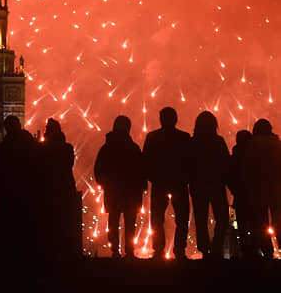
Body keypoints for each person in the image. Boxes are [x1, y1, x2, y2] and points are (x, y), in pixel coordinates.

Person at [142, 106, 191, 260]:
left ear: (161, 119)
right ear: (175, 119)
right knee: (182, 219)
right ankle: (180, 251)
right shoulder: (184, 137)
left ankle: (158, 251)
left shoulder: (152, 137)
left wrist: (152, 177)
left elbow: (145, 160)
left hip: (159, 182)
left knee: (157, 219)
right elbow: (191, 161)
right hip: (179, 183)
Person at [94, 115, 145, 259]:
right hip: (130, 192)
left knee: (114, 220)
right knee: (130, 222)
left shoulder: (107, 148)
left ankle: (115, 251)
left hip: (113, 191)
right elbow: (141, 170)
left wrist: (105, 184)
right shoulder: (133, 148)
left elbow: (99, 169)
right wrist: (141, 188)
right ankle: (129, 251)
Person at [0, 115, 38, 260]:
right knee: (24, 227)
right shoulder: (30, 143)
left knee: (10, 227)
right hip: (27, 192)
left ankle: (10, 258)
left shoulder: (6, 146)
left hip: (10, 193)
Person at [188, 111, 230, 259]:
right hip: (217, 184)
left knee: (201, 218)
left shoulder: (193, 142)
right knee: (223, 217)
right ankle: (217, 247)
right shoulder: (218, 141)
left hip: (198, 185)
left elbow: (187, 164)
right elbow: (226, 163)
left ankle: (205, 249)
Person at [40, 118, 81, 260]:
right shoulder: (67, 148)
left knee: (53, 224)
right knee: (65, 224)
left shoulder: (45, 149)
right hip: (65, 188)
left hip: (52, 190)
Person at [241, 119, 281, 259]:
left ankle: (267, 250)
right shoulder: (277, 144)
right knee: (278, 219)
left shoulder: (252, 145)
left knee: (261, 222)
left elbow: (247, 168)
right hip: (276, 189)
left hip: (258, 189)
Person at [229, 130, 252, 258]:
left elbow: (229, 176)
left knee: (239, 225)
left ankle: (242, 251)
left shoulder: (234, 157)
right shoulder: (254, 157)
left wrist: (234, 190)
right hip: (254, 196)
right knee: (256, 223)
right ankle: (255, 250)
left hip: (238, 197)